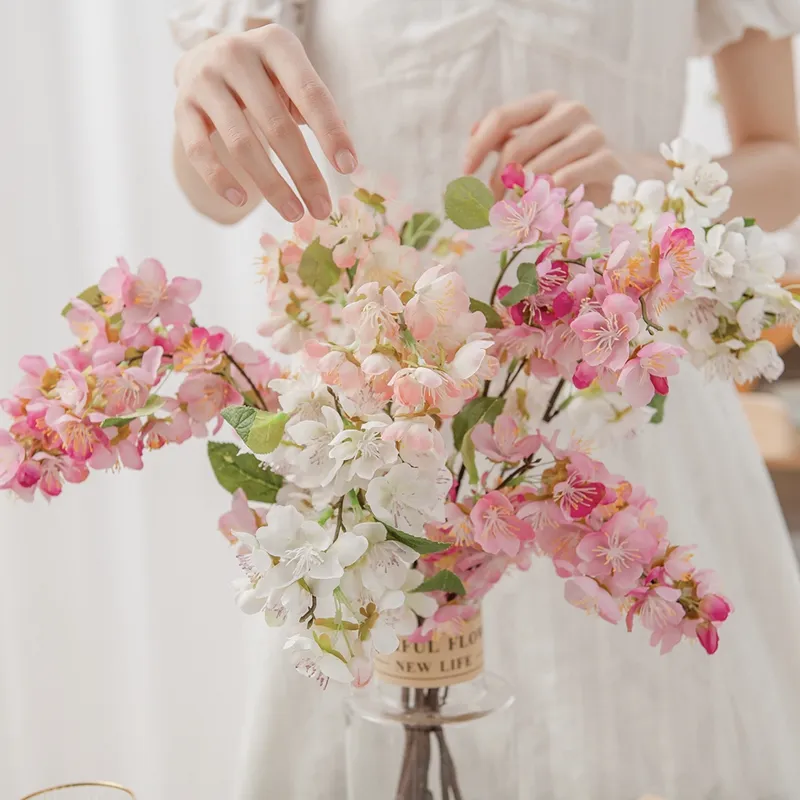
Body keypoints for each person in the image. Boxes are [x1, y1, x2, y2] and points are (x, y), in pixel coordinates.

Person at [169, 2, 800, 798]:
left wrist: (638, 176)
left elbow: (785, 159)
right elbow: (217, 194)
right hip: (378, 455)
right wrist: (204, 87)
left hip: (627, 440)